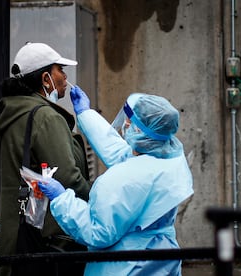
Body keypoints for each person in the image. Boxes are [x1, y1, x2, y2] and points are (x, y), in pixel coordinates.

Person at [38, 88, 194, 275]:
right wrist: (86, 114)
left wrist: (62, 199)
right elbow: (120, 152)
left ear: (138, 130)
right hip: (161, 260)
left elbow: (97, 232)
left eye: (130, 120)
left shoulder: (125, 180)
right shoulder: (169, 157)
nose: (125, 124)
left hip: (126, 266)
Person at [0, 42, 91, 276]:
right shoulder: (46, 117)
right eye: (60, 70)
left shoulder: (13, 114)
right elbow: (69, 178)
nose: (65, 77)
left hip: (18, 238)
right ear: (46, 79)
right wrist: (100, 198)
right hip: (50, 243)